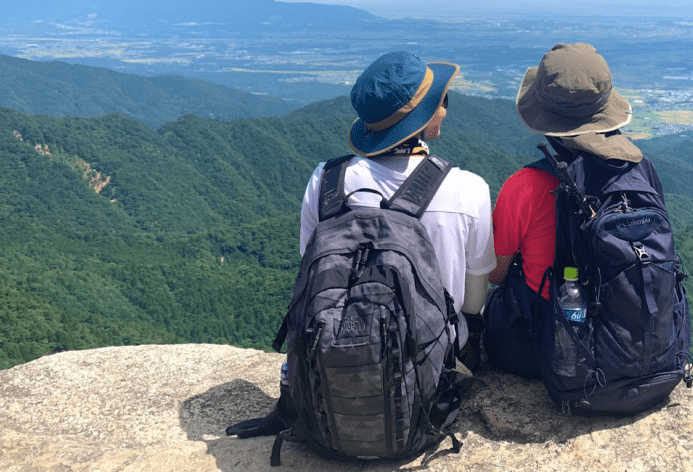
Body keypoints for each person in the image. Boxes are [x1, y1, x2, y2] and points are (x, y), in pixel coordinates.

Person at [227, 51, 493, 440]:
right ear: (422, 120)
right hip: (428, 379)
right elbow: (472, 304)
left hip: (332, 364)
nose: (445, 109)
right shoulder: (469, 189)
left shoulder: (326, 182)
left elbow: (310, 280)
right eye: (441, 101)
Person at [485, 42, 647, 379]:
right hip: (632, 346)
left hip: (546, 349)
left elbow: (495, 275)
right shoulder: (640, 172)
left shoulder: (524, 185)